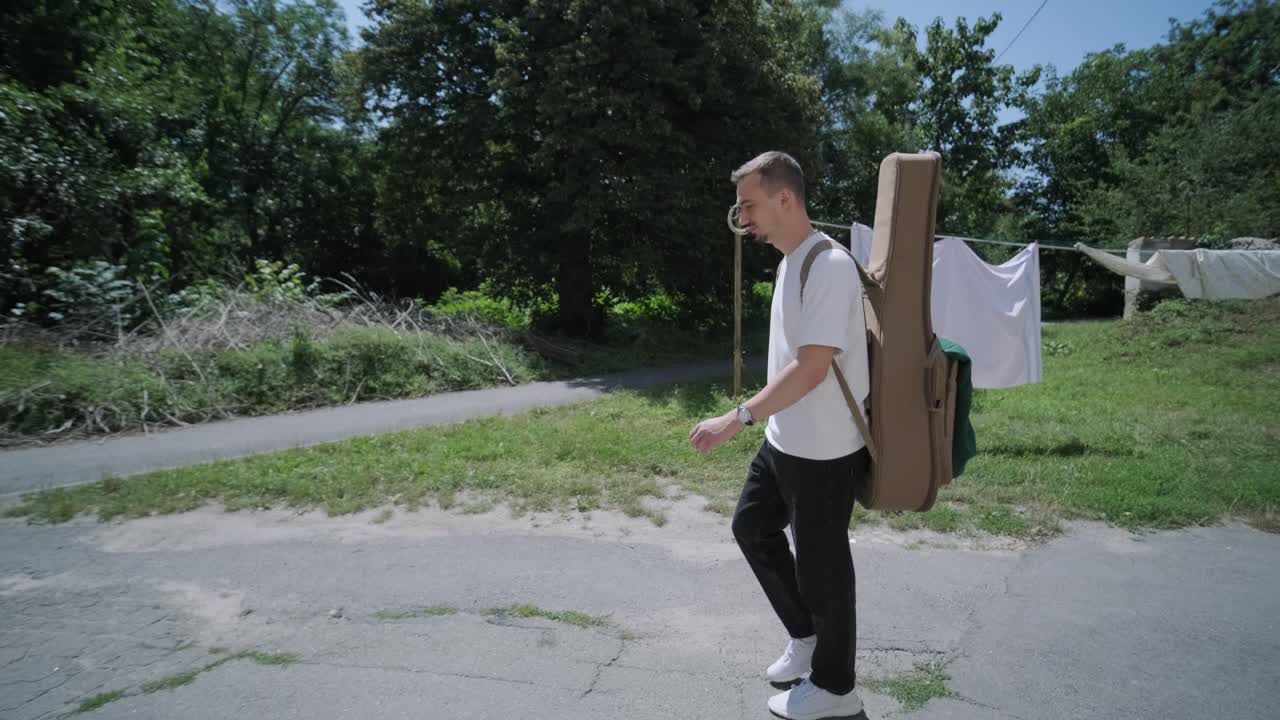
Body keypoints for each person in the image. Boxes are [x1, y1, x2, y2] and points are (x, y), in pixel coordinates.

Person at [689, 151, 871, 720]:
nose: (742, 218)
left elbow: (813, 368)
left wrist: (734, 418)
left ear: (784, 198)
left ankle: (838, 689)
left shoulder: (830, 267)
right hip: (785, 440)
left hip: (826, 450)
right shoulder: (790, 261)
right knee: (752, 527)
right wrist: (762, 422)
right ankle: (809, 639)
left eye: (749, 204)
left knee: (824, 568)